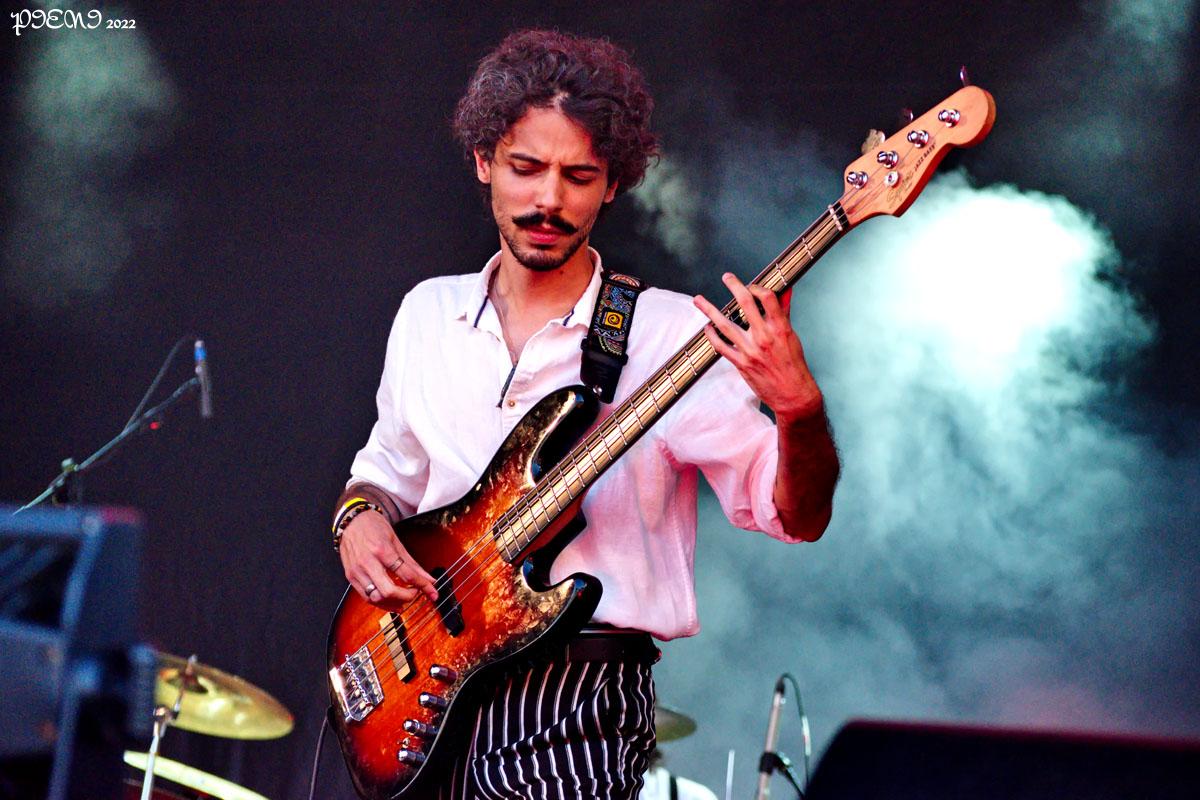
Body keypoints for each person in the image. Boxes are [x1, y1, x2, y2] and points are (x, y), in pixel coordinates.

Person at [333, 29, 839, 800]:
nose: (549, 199)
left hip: (574, 706)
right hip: (422, 682)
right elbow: (385, 475)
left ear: (612, 185)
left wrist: (800, 410)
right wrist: (358, 520)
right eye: (526, 168)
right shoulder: (427, 313)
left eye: (578, 176)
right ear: (483, 162)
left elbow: (797, 516)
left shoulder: (672, 335)